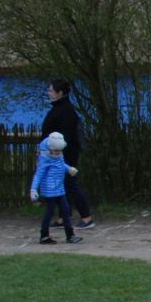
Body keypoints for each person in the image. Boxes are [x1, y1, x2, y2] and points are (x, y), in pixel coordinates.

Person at [40, 79, 95, 230]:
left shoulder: (67, 111)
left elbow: (65, 136)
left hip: (66, 155)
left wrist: (55, 152)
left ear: (60, 93)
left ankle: (86, 217)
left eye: (51, 90)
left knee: (71, 183)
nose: (49, 93)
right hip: (56, 153)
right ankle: (64, 217)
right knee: (60, 184)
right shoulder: (58, 108)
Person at [30, 132, 81, 245]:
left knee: (66, 211)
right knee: (49, 212)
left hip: (59, 189)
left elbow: (60, 164)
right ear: (50, 148)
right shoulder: (44, 159)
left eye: (59, 150)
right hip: (49, 191)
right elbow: (38, 175)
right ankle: (44, 236)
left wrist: (69, 169)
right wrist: (33, 189)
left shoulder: (58, 156)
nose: (57, 152)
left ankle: (70, 235)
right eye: (55, 150)